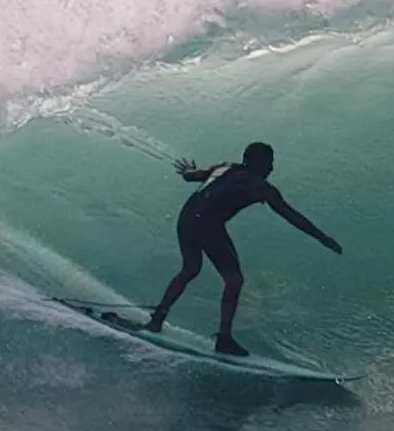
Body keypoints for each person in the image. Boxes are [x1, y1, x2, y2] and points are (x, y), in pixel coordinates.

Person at [145, 141, 341, 356]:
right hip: (208, 225)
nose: (271, 168)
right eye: (269, 163)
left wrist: (188, 170)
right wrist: (322, 238)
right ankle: (224, 338)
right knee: (234, 280)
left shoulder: (224, 167)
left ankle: (158, 318)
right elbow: (291, 216)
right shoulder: (260, 187)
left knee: (190, 269)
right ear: (257, 162)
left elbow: (191, 176)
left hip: (188, 217)